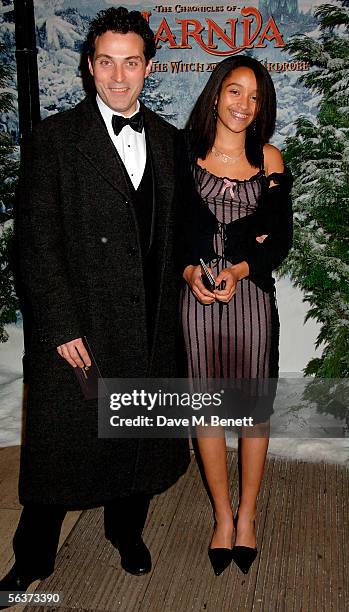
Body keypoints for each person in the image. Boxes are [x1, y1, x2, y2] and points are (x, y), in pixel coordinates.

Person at [0, 6, 190, 602]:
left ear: (148, 67)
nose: (117, 76)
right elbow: (34, 243)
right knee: (61, 457)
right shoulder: (56, 140)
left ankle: (125, 533)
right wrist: (59, 325)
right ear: (89, 66)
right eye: (105, 61)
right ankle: (32, 561)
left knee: (135, 444)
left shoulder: (169, 141)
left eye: (130, 62)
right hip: (80, 329)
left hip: (149, 325)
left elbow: (180, 235)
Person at [179, 56, 292, 576]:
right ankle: (221, 517)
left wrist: (243, 266)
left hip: (249, 301)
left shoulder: (270, 159)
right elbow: (172, 231)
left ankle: (248, 516)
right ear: (215, 94)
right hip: (197, 302)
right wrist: (189, 274)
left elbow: (280, 239)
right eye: (234, 92)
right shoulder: (184, 154)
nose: (243, 105)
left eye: (255, 97)